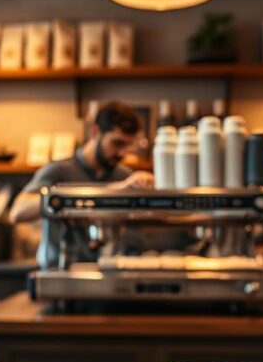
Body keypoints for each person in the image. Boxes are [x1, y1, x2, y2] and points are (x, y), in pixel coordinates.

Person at [9, 101, 154, 267]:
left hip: (109, 271)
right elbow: (18, 212)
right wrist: (113, 191)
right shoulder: (58, 171)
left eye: (128, 146)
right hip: (60, 275)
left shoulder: (124, 176)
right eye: (117, 143)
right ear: (95, 132)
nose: (122, 153)